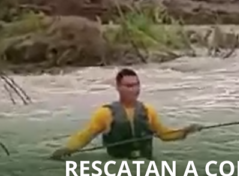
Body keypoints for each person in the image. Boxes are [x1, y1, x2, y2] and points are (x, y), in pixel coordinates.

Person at [50, 69, 201, 160]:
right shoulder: (105, 113)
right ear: (118, 87)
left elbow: (164, 134)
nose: (134, 90)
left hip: (146, 165)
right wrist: (66, 150)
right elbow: (84, 137)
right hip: (119, 166)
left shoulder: (148, 111)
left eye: (136, 85)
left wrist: (186, 131)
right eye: (128, 86)